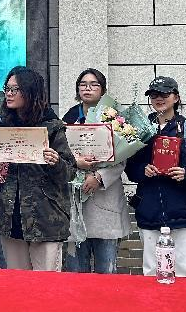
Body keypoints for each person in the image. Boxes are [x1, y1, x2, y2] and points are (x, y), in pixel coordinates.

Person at [0, 67, 76, 271]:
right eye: (7, 88)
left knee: (45, 283)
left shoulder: (52, 126)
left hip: (45, 217)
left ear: (30, 91)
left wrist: (56, 162)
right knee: (16, 283)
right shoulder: (1, 125)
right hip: (10, 215)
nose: (9, 94)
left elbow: (70, 172)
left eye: (15, 89)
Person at [125, 76, 186, 278]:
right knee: (152, 274)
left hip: (185, 214)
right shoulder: (140, 130)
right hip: (150, 213)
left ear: (176, 97)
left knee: (184, 274)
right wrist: (143, 170)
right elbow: (130, 167)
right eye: (154, 95)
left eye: (164, 94)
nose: (159, 99)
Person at [62, 68, 131, 274]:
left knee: (106, 272)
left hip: (105, 199)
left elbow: (123, 156)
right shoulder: (69, 117)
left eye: (94, 84)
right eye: (83, 84)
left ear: (103, 90)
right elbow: (61, 154)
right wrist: (76, 163)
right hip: (76, 197)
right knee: (76, 273)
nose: (88, 88)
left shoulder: (115, 118)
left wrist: (100, 177)